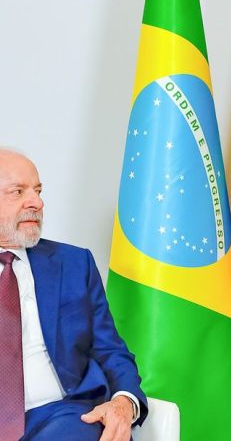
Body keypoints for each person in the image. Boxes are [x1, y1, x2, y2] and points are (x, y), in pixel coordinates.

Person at [0, 149, 147, 440]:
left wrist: (124, 401)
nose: (37, 202)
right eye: (18, 192)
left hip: (62, 415)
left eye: (38, 191)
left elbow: (109, 349)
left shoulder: (74, 264)